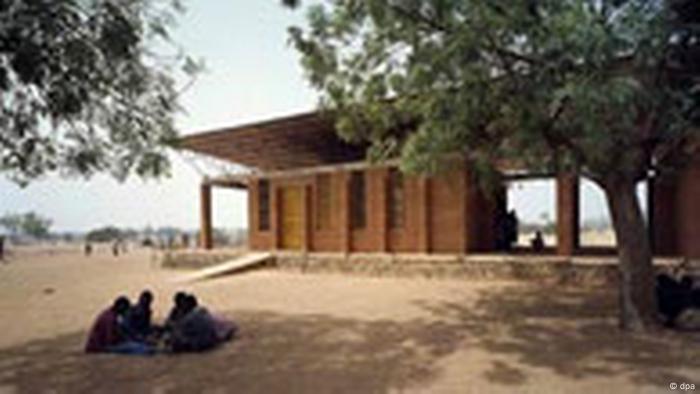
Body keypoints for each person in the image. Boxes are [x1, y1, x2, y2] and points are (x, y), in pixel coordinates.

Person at [169, 295, 236, 353]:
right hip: (212, 339)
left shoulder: (189, 318)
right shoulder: (202, 313)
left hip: (201, 343)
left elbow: (177, 329)